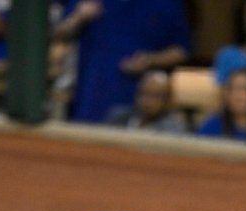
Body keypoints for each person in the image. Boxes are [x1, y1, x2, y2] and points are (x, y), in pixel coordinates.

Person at [51, 0, 191, 123]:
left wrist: (151, 60)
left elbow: (181, 50)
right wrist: (79, 17)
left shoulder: (168, 3)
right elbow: (59, 35)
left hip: (138, 106)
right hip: (90, 99)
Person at [104, 70, 187, 134]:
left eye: (155, 96)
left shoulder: (173, 131)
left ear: (168, 101)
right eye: (144, 94)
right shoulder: (118, 117)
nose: (147, 101)